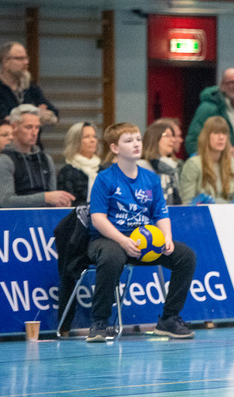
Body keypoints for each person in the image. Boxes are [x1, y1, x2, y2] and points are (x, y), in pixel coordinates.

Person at [87, 122, 196, 341]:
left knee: (186, 256)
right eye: (129, 141)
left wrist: (166, 238)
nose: (136, 144)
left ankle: (169, 319)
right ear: (115, 148)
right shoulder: (104, 178)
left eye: (138, 139)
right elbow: (97, 218)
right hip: (109, 239)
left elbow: (161, 213)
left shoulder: (151, 179)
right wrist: (123, 240)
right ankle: (100, 322)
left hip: (145, 243)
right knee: (111, 257)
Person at [0, 104, 74, 208]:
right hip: (16, 217)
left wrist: (60, 202)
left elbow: (52, 196)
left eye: (37, 127)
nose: (34, 132)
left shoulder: (46, 159)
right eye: (29, 127)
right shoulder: (4, 161)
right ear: (14, 127)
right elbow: (6, 202)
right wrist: (45, 198)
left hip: (44, 216)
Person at [0, 42, 59, 136]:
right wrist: (37, 113)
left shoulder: (29, 87)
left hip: (32, 142)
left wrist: (46, 115)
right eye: (20, 59)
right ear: (5, 62)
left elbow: (54, 113)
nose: (26, 62)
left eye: (26, 58)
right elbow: (0, 120)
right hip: (5, 142)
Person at [185, 68, 234, 161]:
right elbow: (192, 142)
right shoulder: (208, 108)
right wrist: (213, 159)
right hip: (221, 164)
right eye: (231, 83)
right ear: (222, 86)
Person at [180, 116, 234, 204]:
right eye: (216, 133)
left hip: (227, 212)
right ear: (206, 137)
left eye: (224, 133)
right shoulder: (193, 164)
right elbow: (187, 202)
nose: (221, 137)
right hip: (202, 212)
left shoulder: (231, 163)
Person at [56, 121, 101, 206]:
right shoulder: (67, 172)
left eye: (94, 137)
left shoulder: (102, 170)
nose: (92, 140)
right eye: (87, 137)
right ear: (75, 141)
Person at [139, 119, 183, 205]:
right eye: (167, 136)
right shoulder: (141, 166)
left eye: (173, 136)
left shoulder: (173, 168)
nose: (173, 140)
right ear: (154, 138)